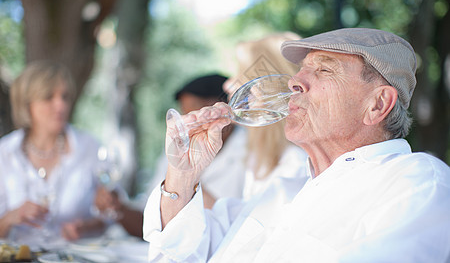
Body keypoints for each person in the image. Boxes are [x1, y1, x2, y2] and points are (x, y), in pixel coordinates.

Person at [143, 28, 450, 262]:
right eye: (302, 69)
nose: (294, 82)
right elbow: (175, 254)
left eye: (324, 69)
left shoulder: (417, 184)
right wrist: (183, 175)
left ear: (378, 104)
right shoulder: (282, 191)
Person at [95, 74, 247, 237]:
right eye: (184, 113)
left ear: (221, 109)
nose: (189, 123)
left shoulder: (251, 150)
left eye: (196, 111)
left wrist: (186, 183)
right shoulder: (178, 149)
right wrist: (120, 209)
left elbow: (231, 224)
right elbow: (153, 220)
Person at [0, 61, 105, 244]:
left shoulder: (90, 147)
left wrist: (86, 227)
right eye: (48, 97)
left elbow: (110, 217)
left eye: (65, 97)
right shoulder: (5, 153)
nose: (60, 106)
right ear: (26, 105)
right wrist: (11, 217)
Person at [223, 32, 309, 200]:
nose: (227, 84)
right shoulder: (260, 154)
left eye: (242, 74)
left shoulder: (298, 165)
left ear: (270, 87)